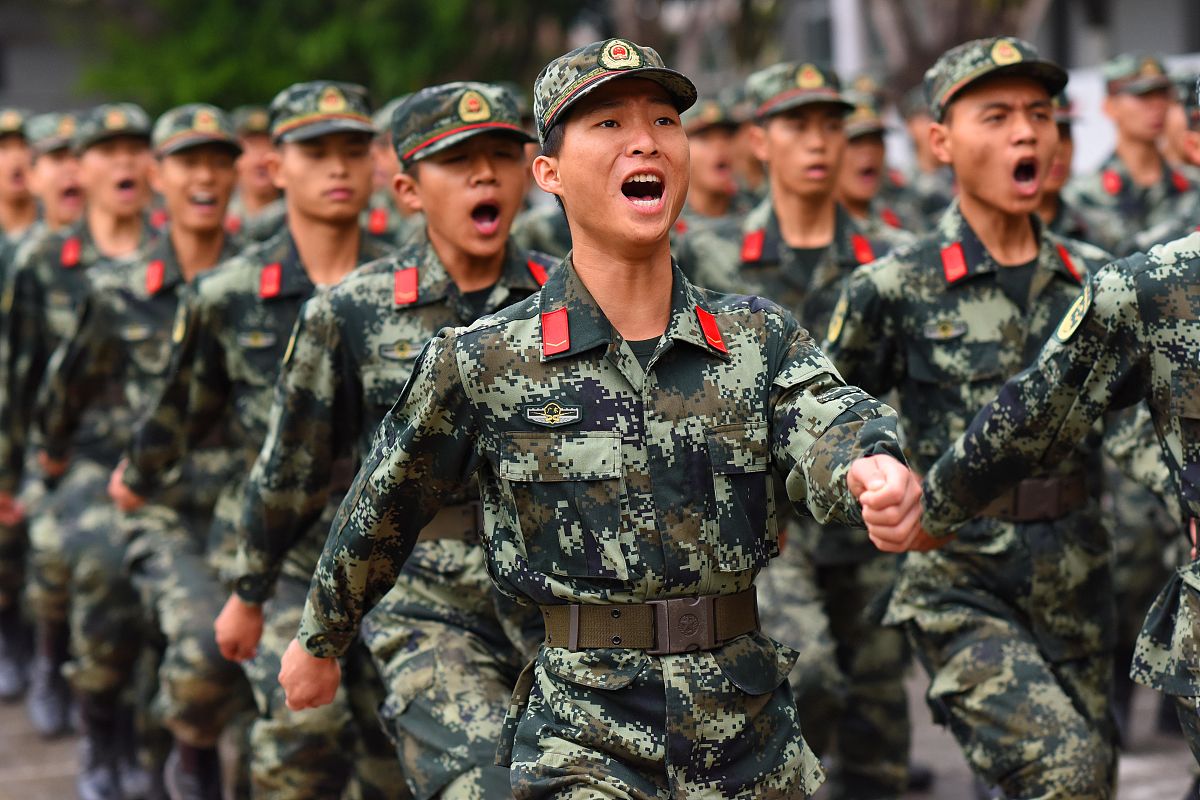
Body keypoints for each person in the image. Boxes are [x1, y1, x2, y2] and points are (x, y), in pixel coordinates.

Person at [280, 38, 922, 799]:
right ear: (547, 172)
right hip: (583, 729)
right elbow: (386, 503)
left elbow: (831, 420)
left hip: (745, 730)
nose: (645, 139)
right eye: (608, 125)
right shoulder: (482, 361)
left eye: (662, 121)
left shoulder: (757, 339)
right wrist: (321, 637)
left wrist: (872, 468)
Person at [824, 36, 1146, 799]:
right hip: (957, 576)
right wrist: (871, 483)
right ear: (940, 142)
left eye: (1040, 115)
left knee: (1087, 781)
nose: (1027, 134)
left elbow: (1135, 423)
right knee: (1060, 773)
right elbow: (832, 413)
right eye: (996, 116)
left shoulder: (1095, 282)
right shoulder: (893, 286)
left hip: (1074, 572)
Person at [217, 81, 555, 800]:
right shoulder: (351, 311)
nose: (484, 174)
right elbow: (293, 468)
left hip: (551, 592)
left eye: (501, 154)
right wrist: (251, 590)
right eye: (458, 161)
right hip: (414, 589)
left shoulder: (567, 298)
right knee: (483, 785)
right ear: (406, 189)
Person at [108, 81, 400, 799]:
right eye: (316, 152)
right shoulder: (230, 292)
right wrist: (136, 478)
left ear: (376, 166)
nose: (337, 168)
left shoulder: (410, 285)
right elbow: (179, 408)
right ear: (273, 168)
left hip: (397, 552)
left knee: (389, 751)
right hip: (276, 553)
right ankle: (195, 751)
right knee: (305, 729)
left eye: (352, 151)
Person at [677, 60, 916, 799]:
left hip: (866, 502)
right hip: (768, 522)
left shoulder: (892, 257)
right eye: (796, 124)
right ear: (759, 140)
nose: (817, 141)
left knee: (879, 706)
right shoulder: (707, 256)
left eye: (830, 125)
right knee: (805, 675)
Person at [39, 103, 250, 799]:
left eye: (218, 162)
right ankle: (104, 726)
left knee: (218, 660)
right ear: (161, 178)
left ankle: (179, 756)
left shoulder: (266, 286)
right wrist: (64, 466)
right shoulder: (118, 290)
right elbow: (61, 399)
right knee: (108, 576)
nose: (204, 177)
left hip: (246, 504)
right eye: (187, 162)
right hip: (152, 499)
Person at [1064, 53, 1195, 255]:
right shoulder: (1083, 195)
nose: (1157, 105)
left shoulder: (1192, 183)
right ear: (1110, 107)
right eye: (1142, 95)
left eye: (1162, 95)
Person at [226, 105, 285, 242]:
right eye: (252, 146)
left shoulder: (301, 216)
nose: (261, 157)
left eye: (270, 144)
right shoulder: (215, 216)